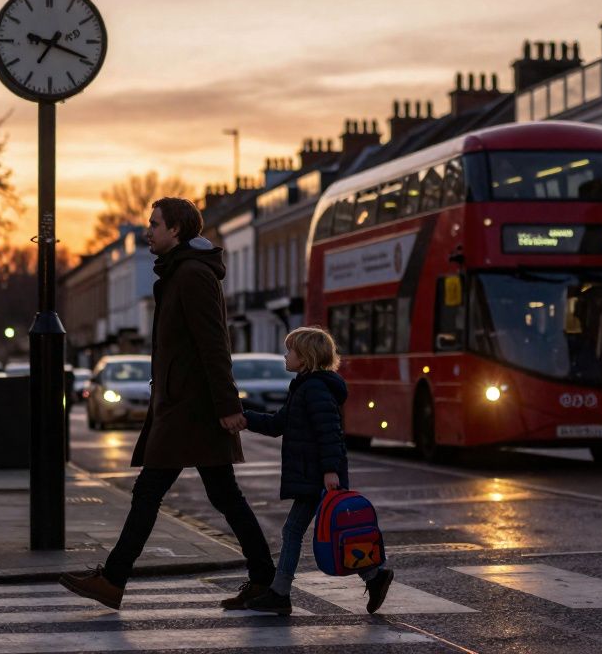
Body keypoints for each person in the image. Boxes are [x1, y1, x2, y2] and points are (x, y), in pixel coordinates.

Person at [60, 197, 274, 610]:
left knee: (153, 492)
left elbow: (215, 344)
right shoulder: (181, 272)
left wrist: (228, 404)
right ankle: (264, 580)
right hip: (184, 405)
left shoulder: (192, 275)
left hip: (191, 409)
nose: (147, 231)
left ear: (176, 230)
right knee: (222, 495)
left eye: (154, 224)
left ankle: (114, 579)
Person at [241, 326, 394, 615]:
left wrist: (330, 470)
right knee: (306, 531)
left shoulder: (315, 389)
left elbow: (330, 432)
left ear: (306, 356)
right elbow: (277, 425)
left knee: (294, 531)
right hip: (312, 473)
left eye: (290, 351)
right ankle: (374, 576)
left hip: (317, 475)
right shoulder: (304, 386)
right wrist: (244, 417)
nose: (285, 356)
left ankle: (280, 592)